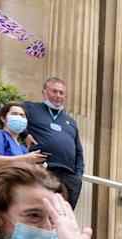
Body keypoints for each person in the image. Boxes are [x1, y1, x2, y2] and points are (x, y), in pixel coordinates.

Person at [24, 77, 85, 207]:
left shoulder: (70, 121)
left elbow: (79, 151)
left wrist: (78, 176)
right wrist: (25, 134)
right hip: (44, 170)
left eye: (61, 93)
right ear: (45, 92)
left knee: (63, 215)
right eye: (54, 91)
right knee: (41, 210)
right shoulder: (31, 108)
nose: (58, 95)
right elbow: (2, 112)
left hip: (69, 177)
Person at [0, 101, 46, 167]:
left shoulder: (22, 148)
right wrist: (26, 158)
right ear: (3, 118)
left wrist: (37, 165)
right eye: (14, 114)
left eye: (22, 115)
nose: (19, 117)